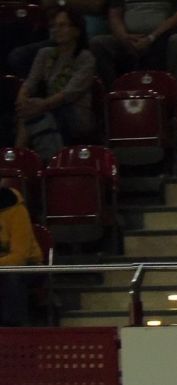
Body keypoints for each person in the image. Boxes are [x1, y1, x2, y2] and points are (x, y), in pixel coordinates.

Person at [15, 8, 98, 161]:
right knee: (28, 109)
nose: (56, 30)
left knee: (36, 112)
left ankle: (27, 158)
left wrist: (41, 105)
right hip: (49, 107)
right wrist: (22, 99)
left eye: (62, 25)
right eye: (53, 26)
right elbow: (31, 82)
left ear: (76, 31)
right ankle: (24, 159)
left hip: (75, 113)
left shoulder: (85, 58)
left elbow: (70, 93)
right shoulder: (45, 53)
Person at [90, 0, 177, 94]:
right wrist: (124, 37)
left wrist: (151, 38)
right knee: (98, 43)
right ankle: (112, 96)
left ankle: (175, 97)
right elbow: (114, 15)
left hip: (162, 37)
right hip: (128, 39)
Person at [0, 186, 42, 327]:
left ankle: (12, 328)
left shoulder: (17, 210)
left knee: (11, 276)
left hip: (28, 266)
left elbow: (19, 257)